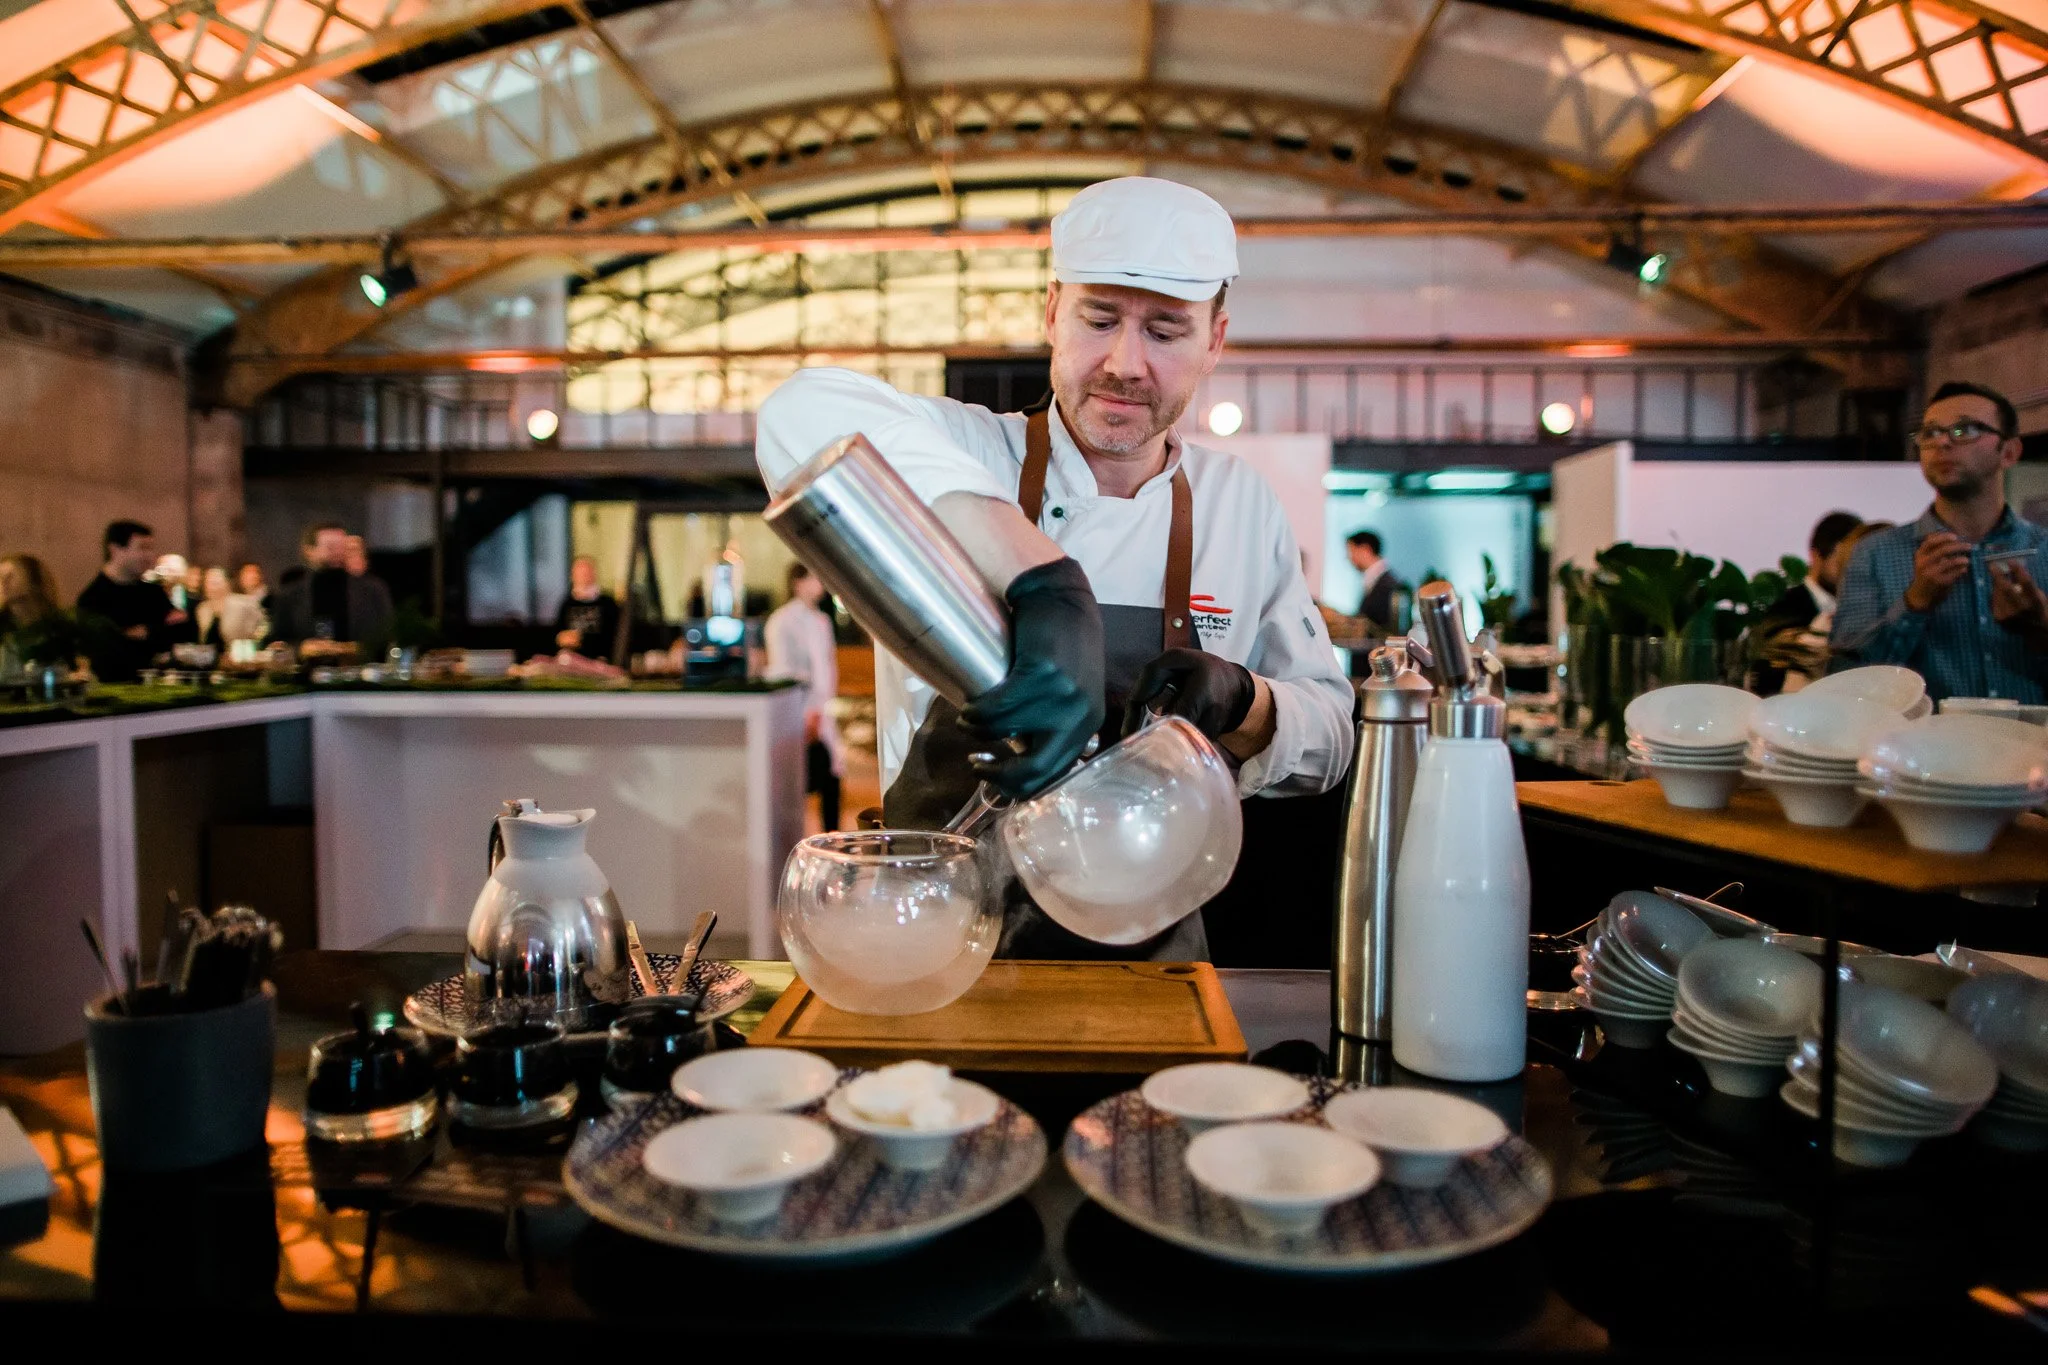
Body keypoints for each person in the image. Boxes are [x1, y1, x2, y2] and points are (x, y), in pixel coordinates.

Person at [755, 175, 1354, 961]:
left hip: (1155, 951)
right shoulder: (966, 451)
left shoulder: (1238, 502)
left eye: (1166, 331)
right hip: (938, 933)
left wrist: (1246, 701)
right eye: (1098, 319)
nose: (1124, 362)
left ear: (1215, 340)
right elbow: (794, 414)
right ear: (1050, 313)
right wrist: (1041, 577)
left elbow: (1333, 734)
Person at [1832, 381, 2048, 703]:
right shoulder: (1875, 554)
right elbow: (1844, 682)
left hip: (2032, 749)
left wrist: (2039, 628)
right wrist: (1914, 604)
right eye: (1930, 433)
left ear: (2009, 451)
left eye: (1964, 430)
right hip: (1920, 749)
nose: (1942, 443)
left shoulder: (2042, 549)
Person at [764, 562, 847, 831]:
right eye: (813, 578)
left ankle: (833, 841)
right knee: (799, 779)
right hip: (800, 712)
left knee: (831, 778)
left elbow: (827, 666)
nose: (819, 585)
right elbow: (783, 671)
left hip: (822, 710)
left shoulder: (821, 621)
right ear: (797, 582)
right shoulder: (782, 621)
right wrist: (805, 711)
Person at [1750, 510, 1863, 695]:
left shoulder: (1861, 607)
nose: (1850, 569)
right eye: (1841, 559)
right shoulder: (1784, 607)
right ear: (1816, 555)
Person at [76, 520, 184, 681]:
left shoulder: (153, 592)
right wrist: (156, 632)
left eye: (150, 548)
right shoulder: (93, 598)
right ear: (115, 550)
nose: (149, 556)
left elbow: (182, 631)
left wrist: (147, 632)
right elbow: (108, 649)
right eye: (142, 548)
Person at [268, 523, 395, 652]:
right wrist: (302, 648)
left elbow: (389, 635)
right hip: (308, 669)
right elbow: (277, 642)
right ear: (309, 551)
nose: (337, 552)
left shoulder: (373, 590)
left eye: (341, 547)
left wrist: (357, 649)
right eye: (330, 547)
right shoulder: (290, 595)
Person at [554, 555, 622, 659]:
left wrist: (581, 640)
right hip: (570, 659)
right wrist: (561, 638)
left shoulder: (608, 603)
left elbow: (614, 636)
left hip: (600, 660)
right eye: (580, 573)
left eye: (587, 572)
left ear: (594, 574)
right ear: (572, 576)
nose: (584, 576)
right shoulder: (566, 604)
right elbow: (558, 633)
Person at [1346, 530, 1409, 633]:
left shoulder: (1389, 585)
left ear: (1366, 549)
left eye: (1352, 552)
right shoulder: (1378, 580)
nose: (1349, 558)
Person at [196, 565, 266, 647]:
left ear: (227, 583)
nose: (212, 586)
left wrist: (253, 643)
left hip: (239, 655)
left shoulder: (244, 603)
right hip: (210, 656)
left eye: (216, 581)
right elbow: (202, 637)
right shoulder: (202, 609)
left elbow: (264, 625)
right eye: (208, 581)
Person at [0, 553, 60, 632]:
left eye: (10, 576)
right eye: (0, 577)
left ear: (31, 579)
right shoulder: (3, 627)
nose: (4, 582)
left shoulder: (59, 624)